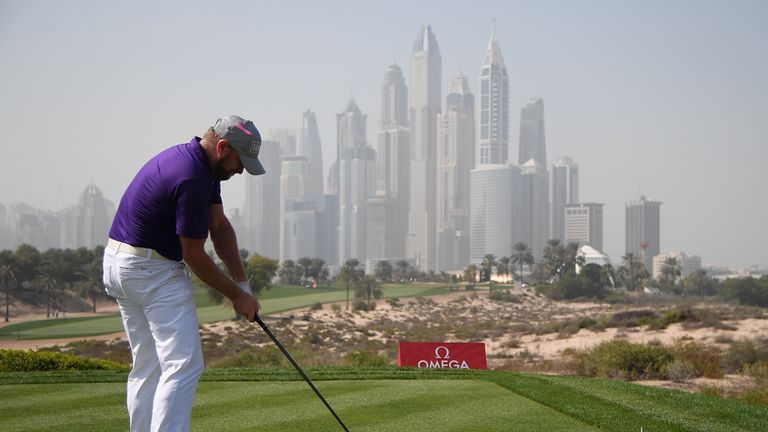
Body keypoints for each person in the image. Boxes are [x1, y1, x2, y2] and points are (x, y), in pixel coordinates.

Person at [103, 115, 264, 432]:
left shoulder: (200, 165)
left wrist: (243, 285)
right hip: (152, 271)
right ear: (222, 146)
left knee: (148, 366)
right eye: (239, 160)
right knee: (183, 364)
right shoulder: (192, 178)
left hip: (119, 264)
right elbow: (194, 256)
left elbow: (218, 226)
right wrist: (236, 296)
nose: (241, 169)